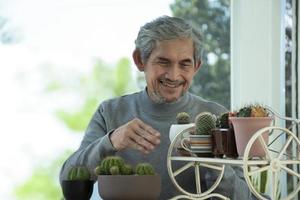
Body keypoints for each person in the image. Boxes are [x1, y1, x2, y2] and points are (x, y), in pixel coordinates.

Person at [60, 15, 255, 199]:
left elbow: (244, 196)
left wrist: (209, 159)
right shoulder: (110, 112)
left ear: (196, 66)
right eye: (163, 62)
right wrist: (110, 141)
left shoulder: (217, 117)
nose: (173, 75)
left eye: (184, 64)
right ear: (140, 60)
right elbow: (69, 180)